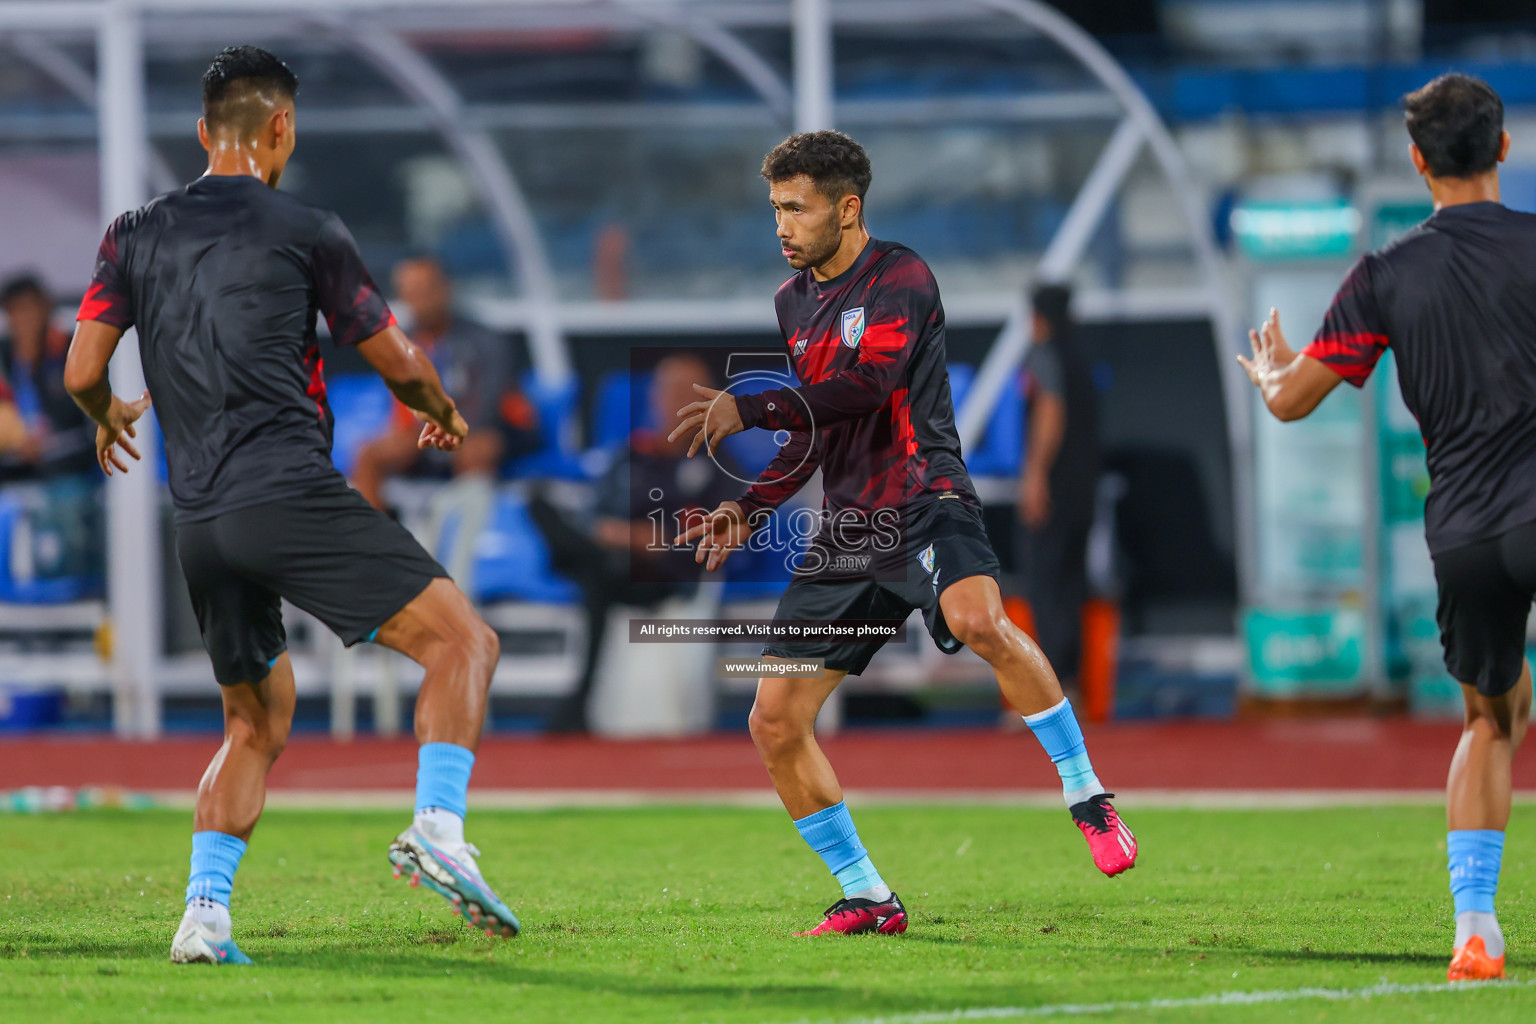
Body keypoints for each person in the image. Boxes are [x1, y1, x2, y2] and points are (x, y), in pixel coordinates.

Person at [64, 46, 519, 966]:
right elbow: (396, 358)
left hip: (198, 523)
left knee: (255, 719)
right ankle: (437, 826)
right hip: (288, 493)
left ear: (203, 132)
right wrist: (438, 410)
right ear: (282, 128)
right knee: (464, 642)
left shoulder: (131, 233)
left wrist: (103, 413)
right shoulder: (307, 226)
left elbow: (80, 368)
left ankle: (203, 916)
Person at [670, 131, 1137, 937]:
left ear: (847, 209)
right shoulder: (792, 303)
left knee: (979, 619)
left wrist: (751, 404)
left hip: (924, 498)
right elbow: (820, 428)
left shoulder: (903, 275)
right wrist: (750, 506)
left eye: (796, 208)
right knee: (774, 721)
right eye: (774, 207)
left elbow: (867, 384)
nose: (780, 225)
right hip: (848, 529)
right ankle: (868, 896)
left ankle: (1087, 796)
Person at [1238, 73, 1531, 982]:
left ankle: (1475, 929)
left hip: (1471, 532)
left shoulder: (1386, 274)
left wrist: (1269, 371)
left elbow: (1291, 403)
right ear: (1505, 149)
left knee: (1491, 720)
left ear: (1417, 161)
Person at [527, 353, 738, 733]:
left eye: (690, 393)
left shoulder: (722, 467)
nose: (676, 402)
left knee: (597, 568)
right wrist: (621, 535)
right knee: (540, 505)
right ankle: (585, 559)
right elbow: (596, 514)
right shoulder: (632, 455)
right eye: (669, 390)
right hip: (612, 559)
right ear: (655, 398)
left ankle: (579, 701)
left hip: (666, 578)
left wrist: (651, 540)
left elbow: (716, 538)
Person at [350, 255, 539, 512]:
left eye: (425, 291)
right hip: (427, 433)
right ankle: (375, 542)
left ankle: (466, 539)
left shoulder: (485, 340)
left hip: (490, 430)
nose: (419, 301)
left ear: (445, 289)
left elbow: (487, 404)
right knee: (370, 455)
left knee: (475, 450)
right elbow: (403, 406)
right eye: (411, 293)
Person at [1016, 283, 1102, 687]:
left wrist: (1034, 476)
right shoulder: (1082, 358)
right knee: (1072, 589)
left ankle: (1048, 689)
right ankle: (1072, 685)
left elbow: (1050, 413)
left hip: (1054, 489)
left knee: (1044, 587)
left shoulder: (1046, 355)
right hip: (1083, 492)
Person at [0, 275, 98, 478]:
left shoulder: (70, 354)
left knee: (67, 502)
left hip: (67, 469)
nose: (24, 319)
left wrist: (43, 444)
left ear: (45, 309)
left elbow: (82, 424)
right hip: (13, 468)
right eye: (15, 310)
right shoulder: (5, 359)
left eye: (29, 309)